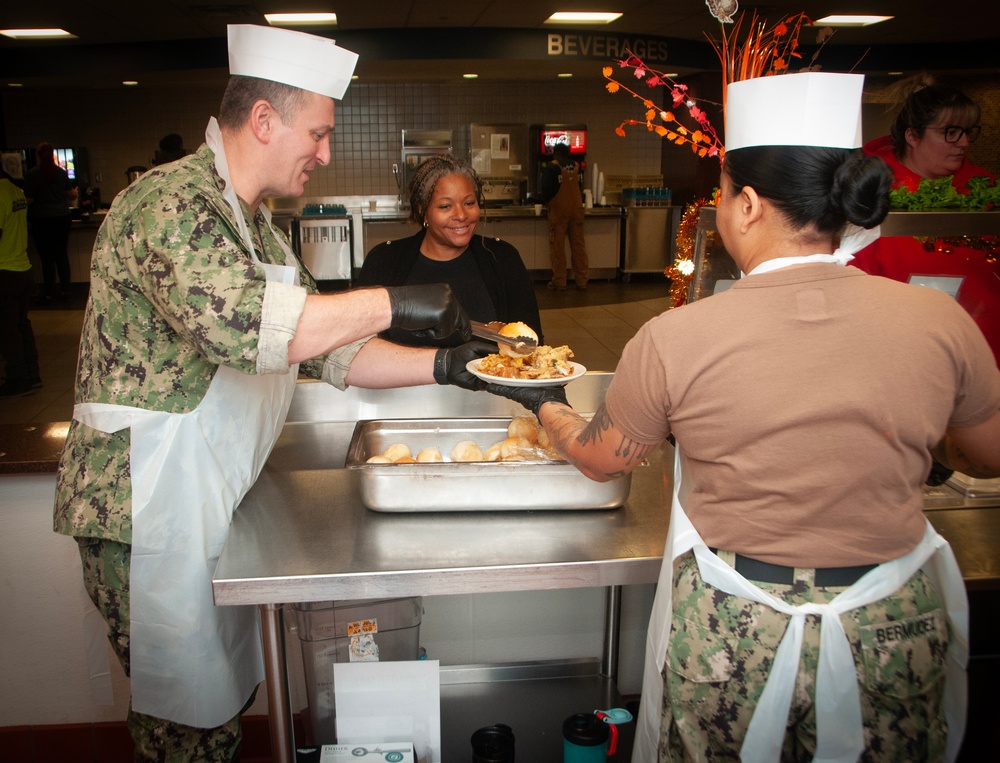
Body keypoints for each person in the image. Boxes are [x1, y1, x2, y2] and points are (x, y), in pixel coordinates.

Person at [486, 72, 1000, 762]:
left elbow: (602, 457)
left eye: (721, 193)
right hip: (890, 625)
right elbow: (985, 453)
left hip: (733, 631)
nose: (718, 208)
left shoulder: (678, 336)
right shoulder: (939, 319)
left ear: (749, 203)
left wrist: (543, 403)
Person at [53, 24, 489, 762]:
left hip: (200, 491)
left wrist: (448, 366)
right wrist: (395, 300)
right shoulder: (169, 203)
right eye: (317, 134)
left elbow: (331, 346)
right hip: (147, 506)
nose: (324, 152)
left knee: (219, 703)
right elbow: (253, 327)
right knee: (184, 724)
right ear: (263, 121)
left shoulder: (254, 225)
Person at [850, 76, 999, 367]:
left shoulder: (986, 187)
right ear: (912, 135)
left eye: (968, 132)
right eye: (951, 132)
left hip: (982, 351)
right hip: (895, 348)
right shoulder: (867, 190)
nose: (964, 143)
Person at [356, 155, 543, 346]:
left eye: (469, 203)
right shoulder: (384, 261)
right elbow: (356, 347)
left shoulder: (503, 259)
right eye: (445, 206)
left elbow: (530, 345)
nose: (461, 215)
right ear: (422, 211)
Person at [0, 163, 42, 398]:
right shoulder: (15, 192)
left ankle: (17, 377)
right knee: (21, 324)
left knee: (7, 329)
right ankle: (32, 374)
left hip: (4, 270)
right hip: (22, 267)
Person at [23, 141, 75, 301]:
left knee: (46, 257)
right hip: (61, 217)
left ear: (37, 155)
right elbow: (71, 195)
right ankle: (66, 290)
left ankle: (49, 292)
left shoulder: (32, 174)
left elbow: (29, 199)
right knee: (61, 255)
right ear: (53, 155)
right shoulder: (60, 172)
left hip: (41, 219)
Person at [540, 142, 589, 291]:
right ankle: (582, 280)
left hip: (559, 211)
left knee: (558, 247)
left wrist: (545, 201)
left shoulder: (553, 167)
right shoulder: (576, 166)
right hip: (577, 210)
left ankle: (560, 280)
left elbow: (546, 189)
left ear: (556, 153)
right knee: (578, 246)